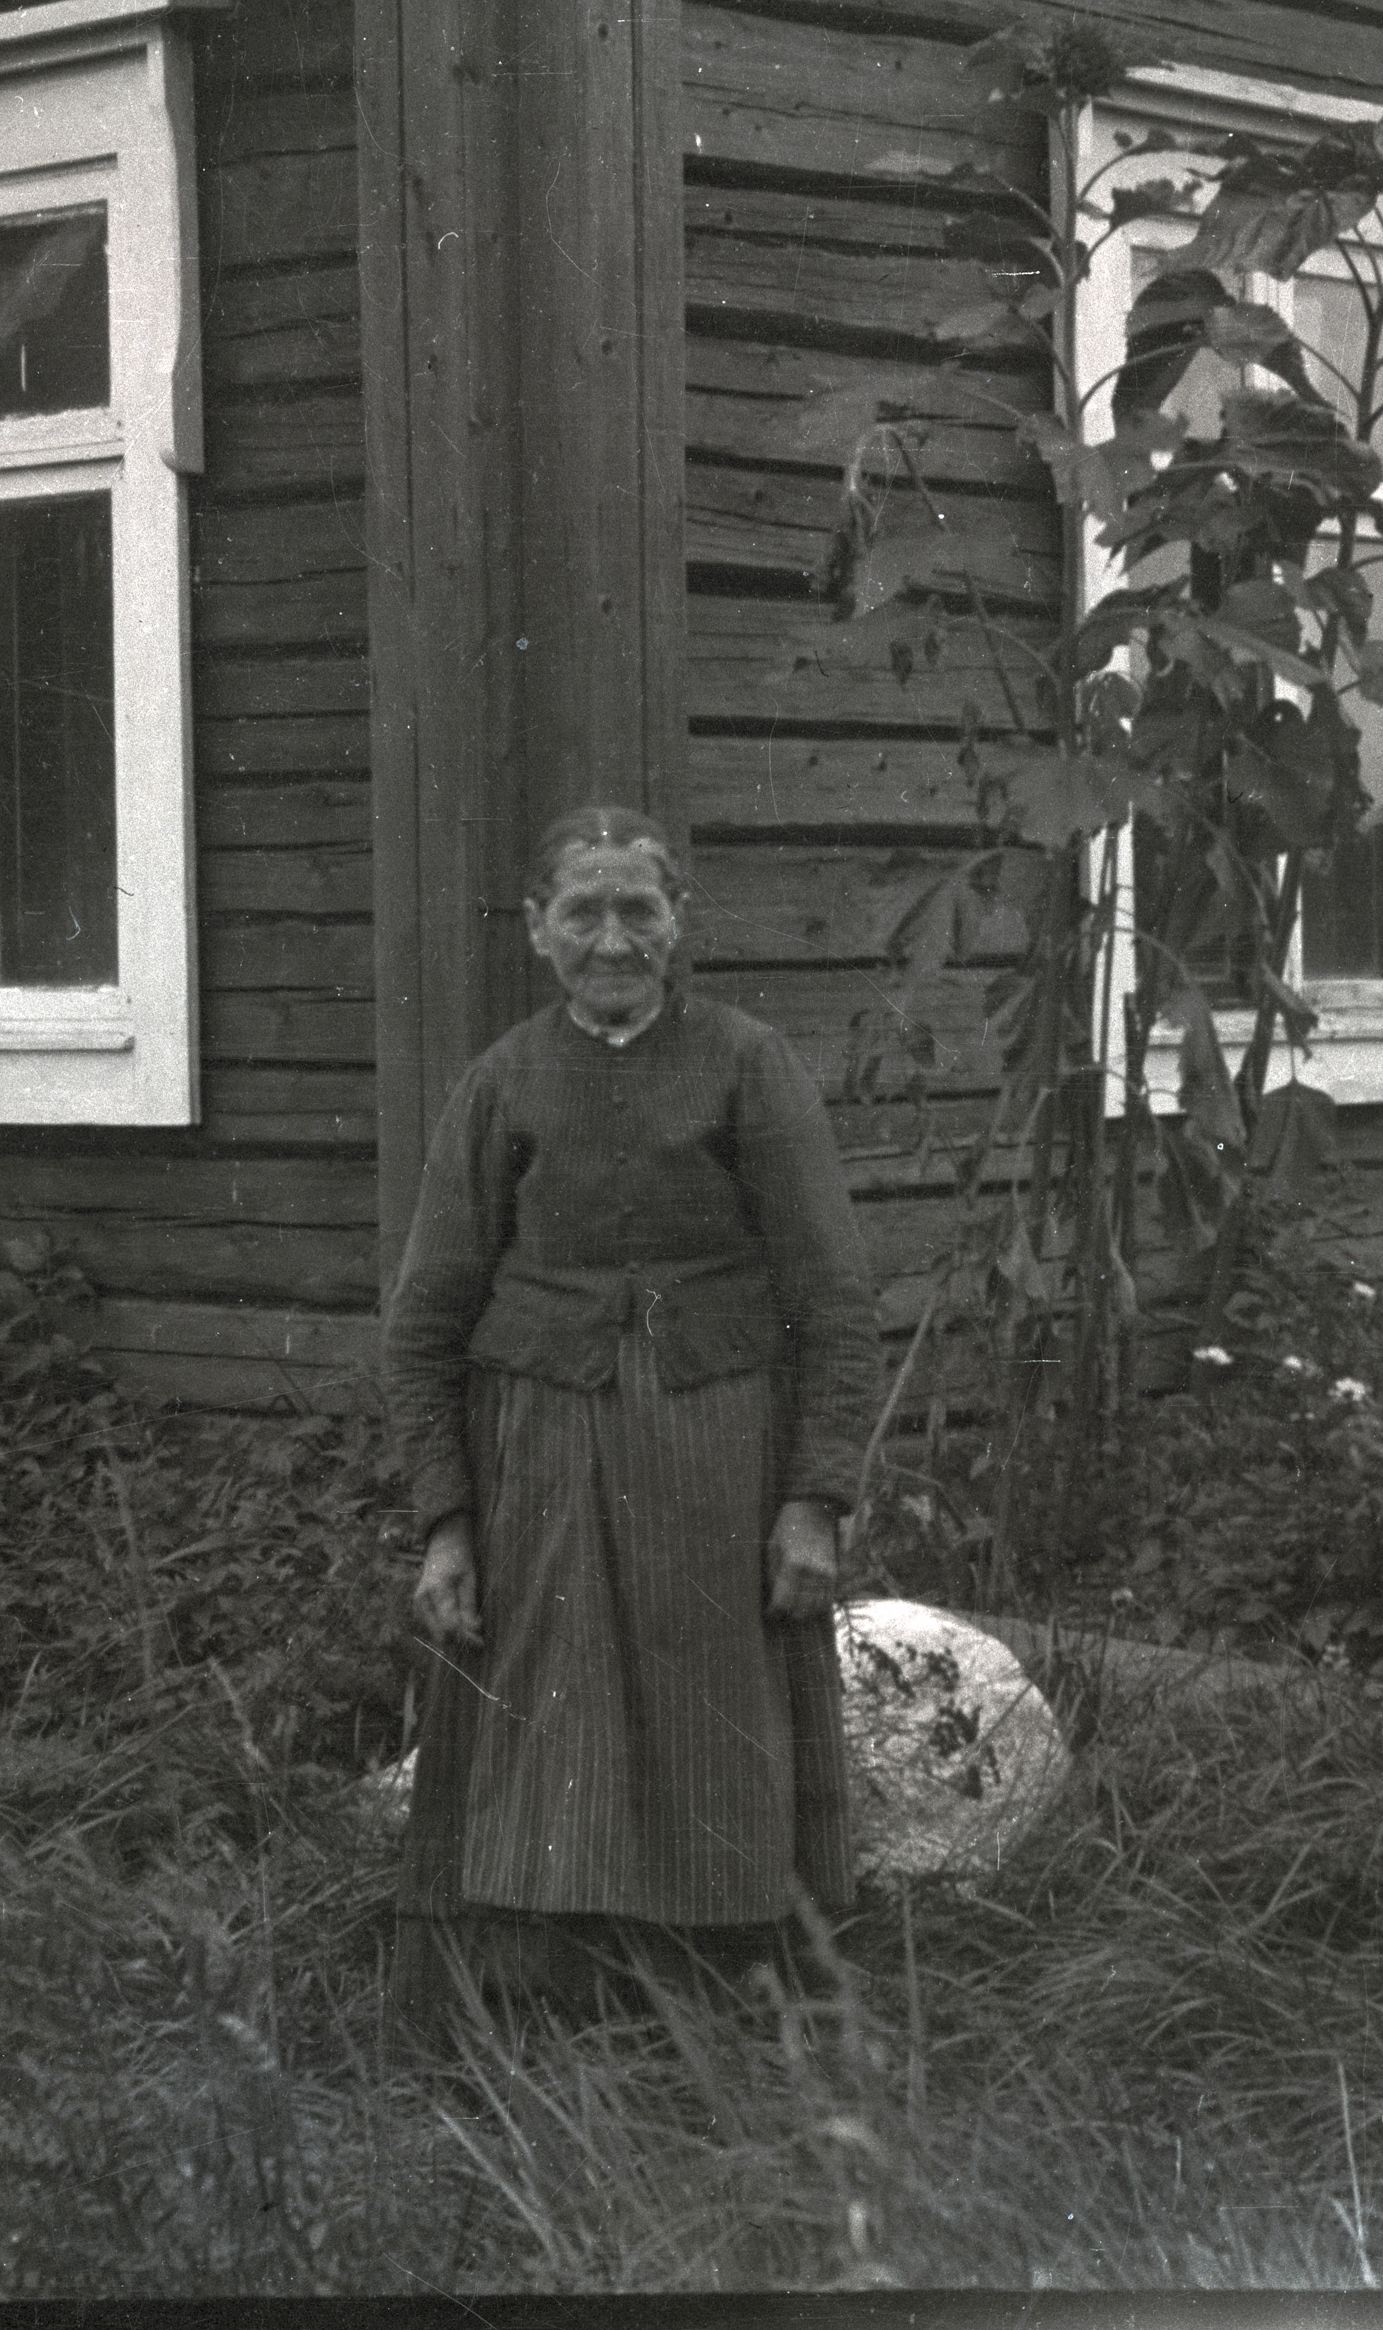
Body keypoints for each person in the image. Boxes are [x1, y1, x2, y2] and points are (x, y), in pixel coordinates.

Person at [379, 803, 881, 2029]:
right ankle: (536, 1999)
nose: (613, 939)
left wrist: (813, 1500)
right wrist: (446, 1524)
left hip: (719, 1455)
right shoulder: (502, 1084)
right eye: (582, 912)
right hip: (537, 1463)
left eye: (638, 910)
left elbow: (834, 1301)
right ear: (537, 932)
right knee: (547, 1720)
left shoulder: (746, 1066)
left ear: (679, 924)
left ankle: (719, 2001)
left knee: (716, 1720)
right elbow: (425, 1320)